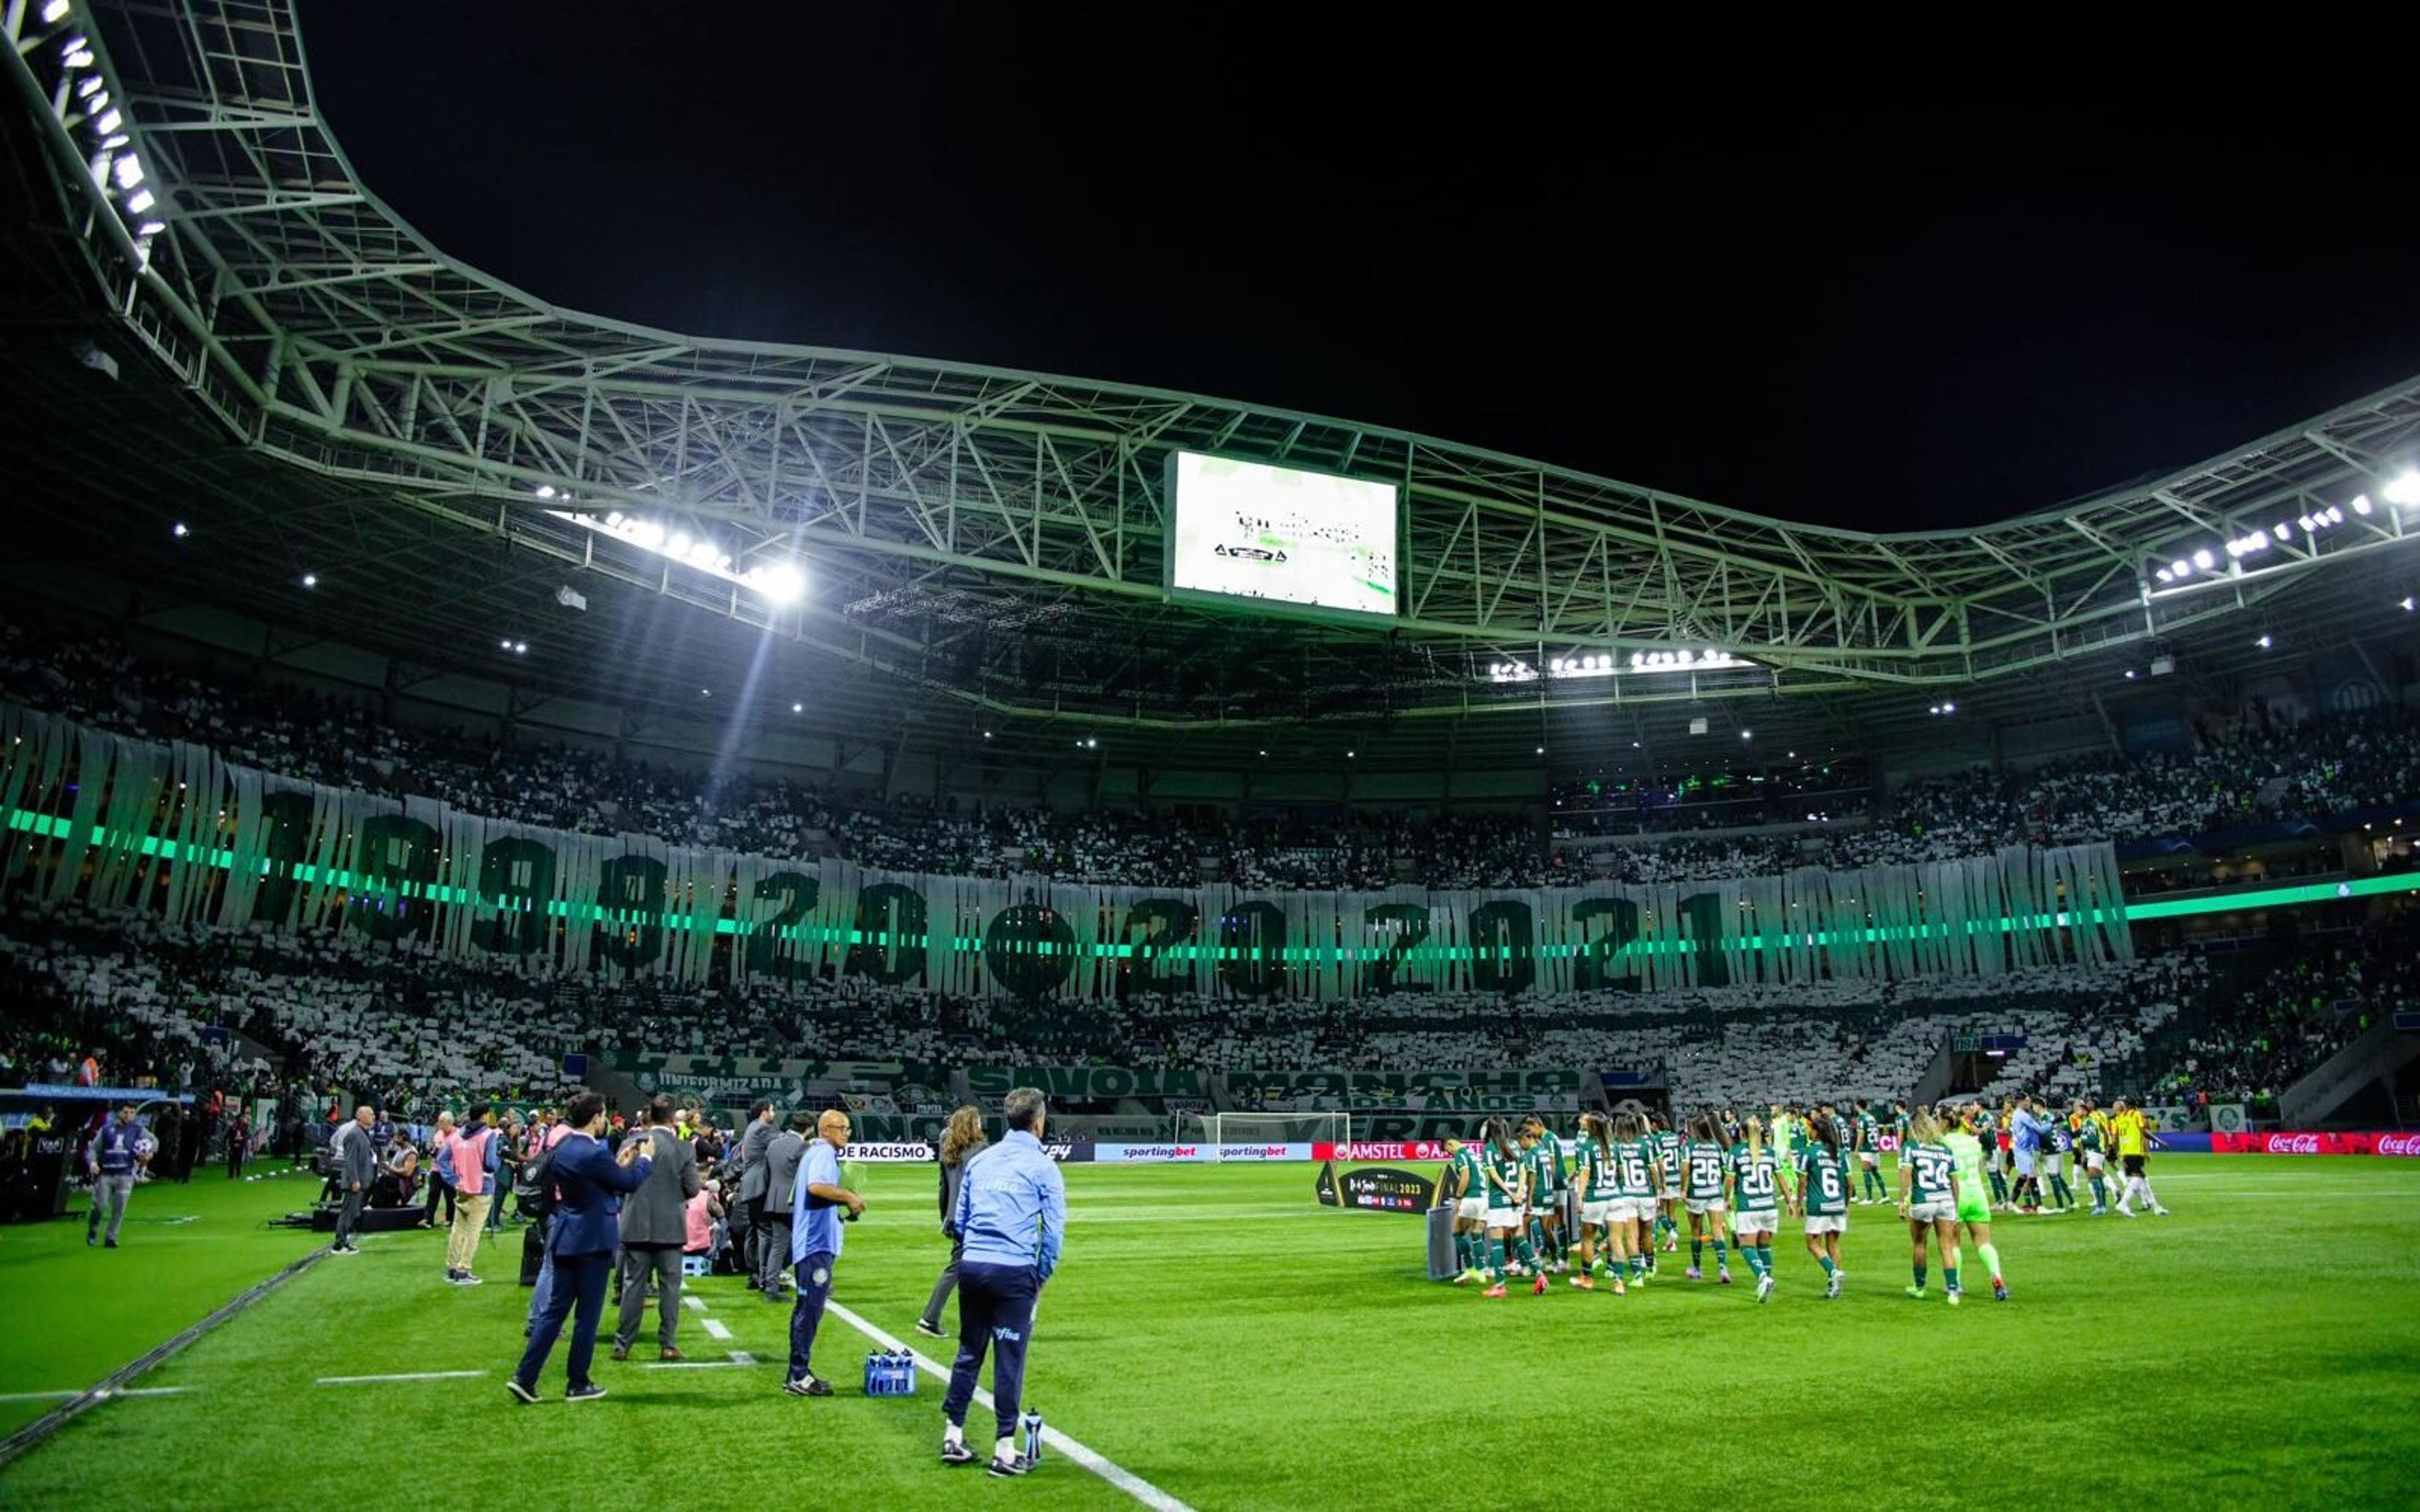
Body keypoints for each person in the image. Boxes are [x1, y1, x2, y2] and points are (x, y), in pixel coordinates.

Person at [940, 1087, 1066, 1478]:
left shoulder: (982, 1161)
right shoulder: (1044, 1167)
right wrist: (1040, 1277)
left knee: (969, 1350)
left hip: (974, 1266)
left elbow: (960, 1219)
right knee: (1009, 1358)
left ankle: (953, 1436)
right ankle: (1005, 1451)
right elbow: (1054, 1233)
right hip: (1013, 1272)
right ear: (1039, 1122)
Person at [509, 1092, 652, 1404]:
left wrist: (619, 1165)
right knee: (587, 1316)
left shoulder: (564, 1148)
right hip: (593, 1240)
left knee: (554, 1312)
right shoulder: (592, 1152)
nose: (603, 1120)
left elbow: (598, 1181)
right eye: (602, 1115)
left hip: (566, 1234)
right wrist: (645, 1160)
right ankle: (578, 1382)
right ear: (595, 1117)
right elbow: (627, 1184)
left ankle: (525, 1376)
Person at [611, 1095, 703, 1362]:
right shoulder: (684, 1148)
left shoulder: (632, 1143)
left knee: (632, 1287)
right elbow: (693, 1189)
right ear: (674, 1118)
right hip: (671, 1226)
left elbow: (618, 1181)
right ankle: (668, 1345)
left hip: (636, 1223)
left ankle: (623, 1345)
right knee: (670, 1288)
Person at [783, 1109, 863, 1398]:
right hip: (815, 1245)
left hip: (814, 1242)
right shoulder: (823, 1154)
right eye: (843, 1128)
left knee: (807, 1309)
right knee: (810, 1310)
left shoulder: (817, 1153)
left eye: (848, 1129)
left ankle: (798, 1372)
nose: (847, 1133)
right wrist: (849, 1196)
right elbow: (816, 1187)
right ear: (826, 1130)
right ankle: (798, 1375)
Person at [917, 1106, 986, 1333]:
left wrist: (947, 1218)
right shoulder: (980, 1150)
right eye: (977, 1121)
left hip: (956, 1218)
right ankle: (930, 1319)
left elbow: (943, 1189)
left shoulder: (950, 1150)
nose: (981, 1124)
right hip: (975, 1219)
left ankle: (978, 1319)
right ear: (971, 1124)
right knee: (964, 1269)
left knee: (968, 1268)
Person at [1897, 1107, 1966, 1304]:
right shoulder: (1945, 1149)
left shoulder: (1911, 1146)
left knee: (1920, 1244)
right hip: (1945, 1201)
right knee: (1947, 1245)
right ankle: (1953, 1291)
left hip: (1923, 1200)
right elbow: (1955, 1182)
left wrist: (1902, 1201)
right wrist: (1956, 1207)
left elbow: (1906, 1174)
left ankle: (1919, 1288)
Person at [1944, 1103, 2010, 1301]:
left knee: (1953, 1242)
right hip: (1977, 1194)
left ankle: (1955, 1283)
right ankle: (1996, 1276)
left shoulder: (1943, 1142)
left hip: (1957, 1196)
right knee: (1983, 1242)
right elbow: (1980, 1167)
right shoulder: (1974, 1143)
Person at [1725, 1113, 1782, 1303]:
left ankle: (1763, 1278)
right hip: (1769, 1205)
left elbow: (1730, 1179)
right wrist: (1790, 1202)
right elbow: (1780, 1178)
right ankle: (1766, 1283)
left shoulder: (1736, 1152)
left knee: (1747, 1247)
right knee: (1764, 1246)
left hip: (1749, 1206)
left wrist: (1727, 1199)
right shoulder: (1770, 1151)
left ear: (1741, 1133)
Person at [758, 1111, 810, 1303]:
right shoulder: (802, 1147)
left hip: (774, 1198)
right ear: (809, 1129)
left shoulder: (774, 1144)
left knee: (778, 1246)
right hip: (794, 1201)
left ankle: (769, 1284)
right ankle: (808, 1285)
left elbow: (766, 1173)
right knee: (802, 1245)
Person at [445, 1103, 500, 1285]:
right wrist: (499, 1161)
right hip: (481, 1187)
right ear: (484, 1116)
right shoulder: (488, 1135)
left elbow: (441, 1160)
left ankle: (452, 1269)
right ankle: (464, 1270)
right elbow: (491, 1164)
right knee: (473, 1231)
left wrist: (454, 1180)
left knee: (457, 1229)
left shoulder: (456, 1134)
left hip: (461, 1187)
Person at [1799, 1113, 1850, 1298]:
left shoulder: (1810, 1152)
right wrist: (1846, 1205)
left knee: (1812, 1243)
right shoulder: (1839, 1153)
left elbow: (1802, 1181)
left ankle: (1833, 1273)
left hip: (1819, 1205)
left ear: (1817, 1131)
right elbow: (1849, 1183)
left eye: (1812, 1128)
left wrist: (1798, 1204)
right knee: (1833, 1243)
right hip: (1837, 1204)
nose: (1810, 1132)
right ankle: (1835, 1286)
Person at [1680, 1112, 1732, 1284]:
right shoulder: (1717, 1146)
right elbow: (1726, 1170)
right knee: (1717, 1230)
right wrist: (1720, 1185)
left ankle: (1696, 1269)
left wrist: (1683, 1190)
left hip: (1697, 1193)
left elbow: (1685, 1169)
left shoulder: (1690, 1145)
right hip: (1714, 1192)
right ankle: (1723, 1269)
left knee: (1696, 1232)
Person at [85, 1103, 147, 1248]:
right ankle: (93, 1230)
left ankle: (111, 1237)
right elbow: (94, 1148)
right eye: (126, 1112)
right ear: (119, 1113)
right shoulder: (107, 1130)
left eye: (132, 1113)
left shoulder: (138, 1129)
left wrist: (149, 1153)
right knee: (99, 1207)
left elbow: (153, 1141)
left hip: (125, 1174)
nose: (129, 1115)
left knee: (119, 1209)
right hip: (105, 1174)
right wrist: (92, 1162)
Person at [2111, 1099, 2169, 1216]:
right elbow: (2144, 1132)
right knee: (2138, 1178)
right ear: (2134, 1106)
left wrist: (2117, 1153)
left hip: (2125, 1153)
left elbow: (2115, 1139)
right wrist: (2160, 1142)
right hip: (2135, 1151)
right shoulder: (2137, 1114)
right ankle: (2123, 1203)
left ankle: (2156, 1207)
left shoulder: (2118, 1119)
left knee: (2142, 1181)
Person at [330, 1105, 374, 1254]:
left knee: (351, 1212)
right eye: (370, 1114)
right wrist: (354, 1180)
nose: (373, 1117)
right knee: (348, 1212)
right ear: (361, 1116)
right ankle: (339, 1244)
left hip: (360, 1180)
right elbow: (350, 1160)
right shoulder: (355, 1135)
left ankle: (343, 1241)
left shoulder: (362, 1133)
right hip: (355, 1182)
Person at [418, 1111, 458, 1229]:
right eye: (439, 1121)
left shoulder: (458, 1134)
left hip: (450, 1169)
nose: (439, 1123)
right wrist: (433, 1151)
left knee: (450, 1196)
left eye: (442, 1121)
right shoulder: (438, 1134)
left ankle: (451, 1219)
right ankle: (428, 1219)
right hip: (436, 1168)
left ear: (449, 1122)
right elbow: (434, 1147)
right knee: (433, 1194)